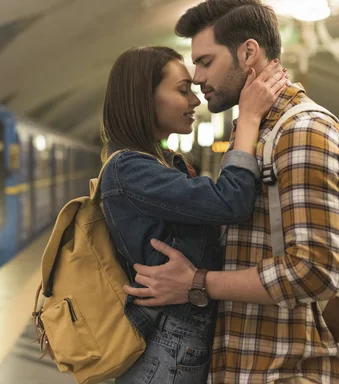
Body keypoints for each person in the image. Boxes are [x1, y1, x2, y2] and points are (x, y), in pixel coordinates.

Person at [122, 0, 339, 384]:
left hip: (282, 372)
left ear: (248, 52)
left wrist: (197, 283)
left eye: (206, 61)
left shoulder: (303, 131)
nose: (197, 78)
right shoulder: (254, 131)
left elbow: (313, 270)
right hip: (244, 366)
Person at [99, 46, 288, 383]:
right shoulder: (129, 169)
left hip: (178, 345)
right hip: (166, 351)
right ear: (144, 98)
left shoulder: (162, 162)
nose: (195, 101)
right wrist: (247, 120)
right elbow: (230, 202)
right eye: (183, 90)